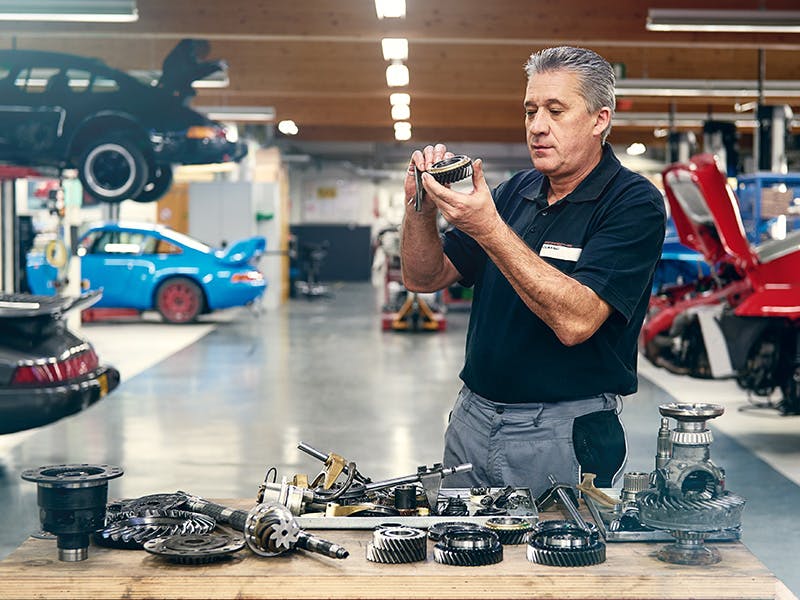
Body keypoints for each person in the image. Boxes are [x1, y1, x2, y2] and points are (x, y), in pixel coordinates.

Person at [400, 46, 666, 497]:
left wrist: (489, 228)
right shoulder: (515, 191)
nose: (537, 126)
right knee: (462, 557)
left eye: (556, 111)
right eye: (530, 111)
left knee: (556, 563)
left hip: (563, 433)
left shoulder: (633, 202)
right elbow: (424, 278)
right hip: (473, 418)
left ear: (600, 119)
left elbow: (576, 321)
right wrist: (420, 207)